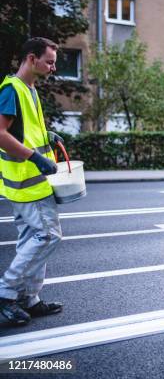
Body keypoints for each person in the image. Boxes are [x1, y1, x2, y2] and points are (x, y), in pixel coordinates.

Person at [0, 37, 64, 326]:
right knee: (48, 236)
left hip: (33, 182)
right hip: (29, 181)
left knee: (31, 238)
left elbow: (28, 131)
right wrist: (35, 158)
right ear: (30, 58)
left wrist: (48, 136)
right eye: (49, 61)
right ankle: (6, 294)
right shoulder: (11, 90)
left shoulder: (30, 90)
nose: (53, 67)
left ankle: (30, 299)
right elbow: (0, 134)